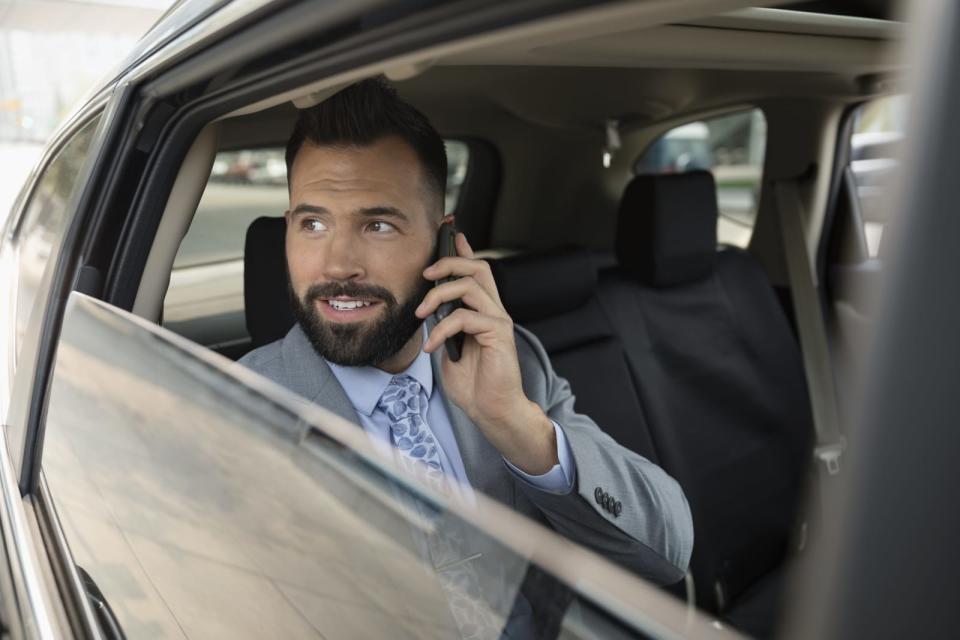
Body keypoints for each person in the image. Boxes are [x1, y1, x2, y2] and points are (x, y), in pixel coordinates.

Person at [238, 78, 693, 593]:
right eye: (313, 225)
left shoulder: (509, 362)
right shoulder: (234, 405)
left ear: (442, 240)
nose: (338, 263)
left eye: (379, 226)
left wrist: (514, 422)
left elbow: (668, 551)